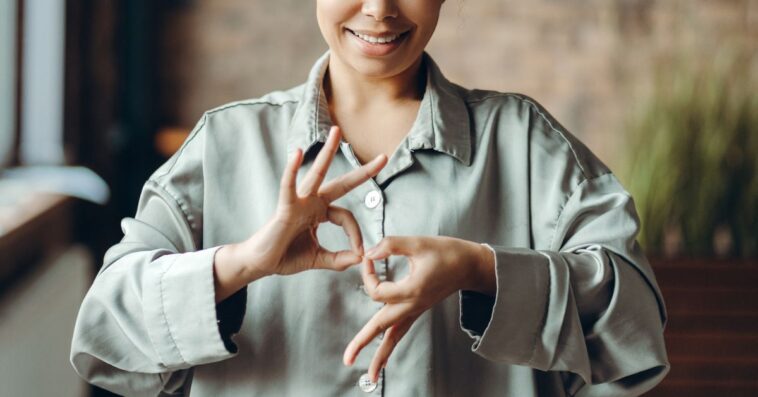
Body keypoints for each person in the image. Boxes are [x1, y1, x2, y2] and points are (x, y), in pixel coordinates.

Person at [70, 0, 669, 395]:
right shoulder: (225, 143)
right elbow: (106, 334)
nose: (380, 8)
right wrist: (242, 264)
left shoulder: (524, 141)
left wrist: (481, 270)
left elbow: (635, 326)